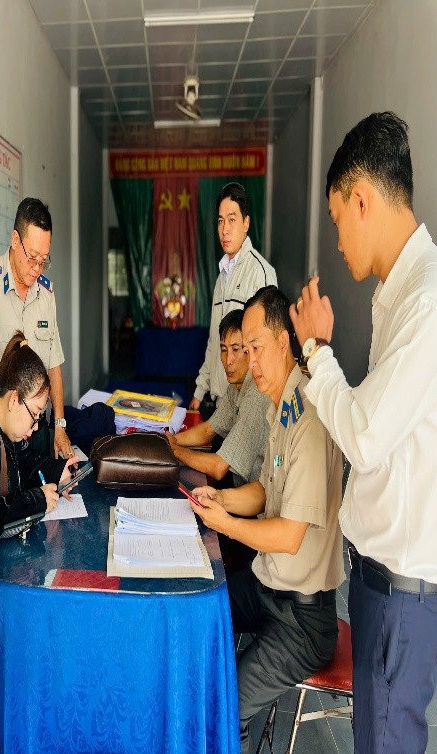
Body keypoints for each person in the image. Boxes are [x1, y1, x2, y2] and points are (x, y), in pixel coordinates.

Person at [291, 111, 437, 754]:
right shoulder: (399, 294)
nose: (338, 241)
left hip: (403, 596)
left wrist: (316, 352)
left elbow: (367, 436)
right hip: (381, 585)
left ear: (362, 200)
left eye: (336, 221)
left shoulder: (426, 303)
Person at [191, 286, 344, 754]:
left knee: (227, 705)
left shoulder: (310, 415)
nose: (249, 362)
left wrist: (223, 522)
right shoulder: (282, 403)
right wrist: (221, 498)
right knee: (198, 612)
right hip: (267, 586)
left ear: (283, 342)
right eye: (244, 349)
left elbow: (289, 535)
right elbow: (264, 489)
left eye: (255, 348)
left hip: (301, 619)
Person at [0, 197, 73, 460]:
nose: (37, 268)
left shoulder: (46, 293)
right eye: (32, 257)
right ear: (14, 240)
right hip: (0, 432)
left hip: (37, 427)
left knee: (48, 485)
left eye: (44, 260)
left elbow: (54, 363)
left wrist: (59, 426)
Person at [0, 331, 80, 542]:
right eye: (35, 414)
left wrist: (57, 473)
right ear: (14, 400)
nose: (36, 426)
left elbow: (26, 460)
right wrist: (36, 501)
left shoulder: (1, 415)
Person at [190, 182, 277, 413]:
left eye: (232, 220)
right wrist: (200, 390)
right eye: (220, 221)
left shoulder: (260, 272)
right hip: (222, 402)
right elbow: (214, 341)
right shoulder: (222, 278)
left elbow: (267, 348)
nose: (225, 229)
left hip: (248, 404)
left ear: (246, 223)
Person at [166, 308, 269, 486]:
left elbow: (218, 467)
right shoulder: (236, 386)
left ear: (250, 350)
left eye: (235, 349)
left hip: (256, 498)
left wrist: (174, 450)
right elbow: (208, 430)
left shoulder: (256, 394)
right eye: (223, 350)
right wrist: (171, 439)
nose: (228, 360)